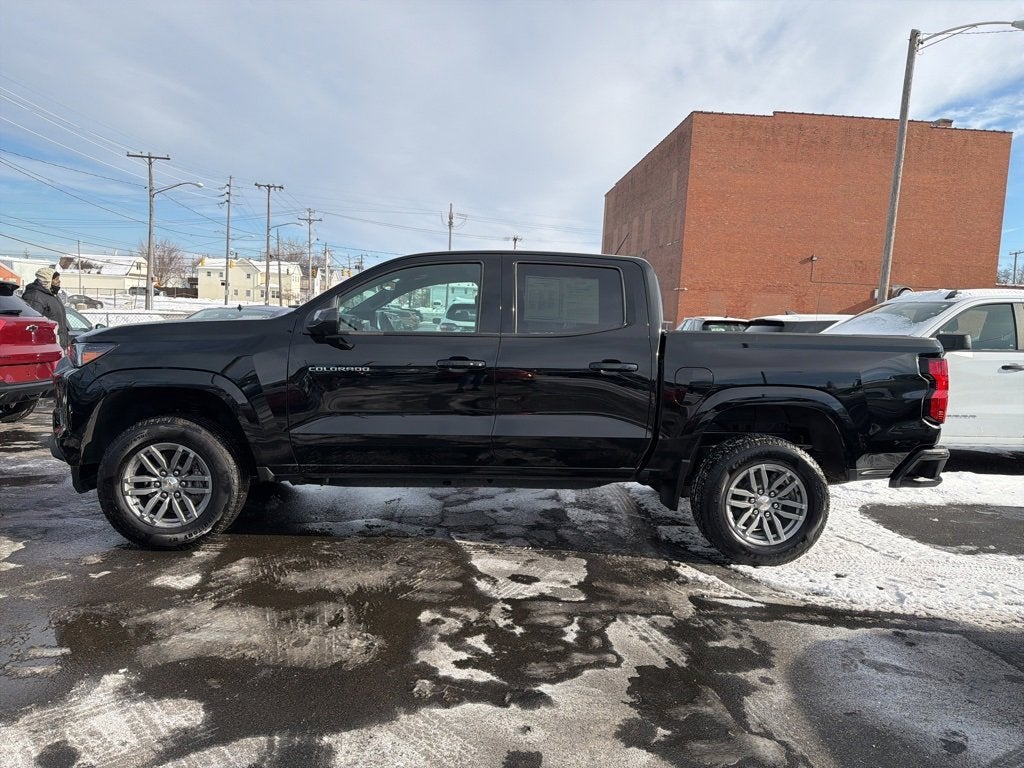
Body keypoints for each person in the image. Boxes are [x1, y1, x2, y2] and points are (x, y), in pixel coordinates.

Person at [22, 267, 69, 349]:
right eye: (56, 279)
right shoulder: (34, 296)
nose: (59, 281)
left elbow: (59, 321)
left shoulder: (53, 296)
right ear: (47, 280)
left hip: (59, 346)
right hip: (46, 347)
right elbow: (32, 325)